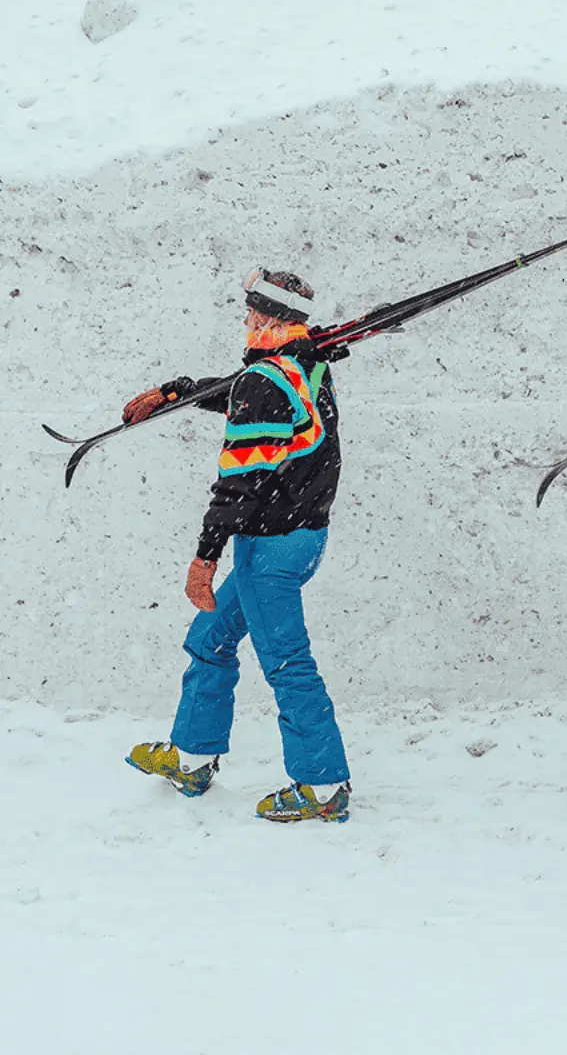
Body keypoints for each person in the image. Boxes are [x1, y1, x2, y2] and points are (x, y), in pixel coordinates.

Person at [123, 270, 353, 823]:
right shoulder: (305, 364)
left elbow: (236, 486)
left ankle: (323, 786)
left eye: (253, 317)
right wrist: (176, 393)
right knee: (209, 637)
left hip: (269, 550)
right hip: (300, 538)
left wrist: (204, 558)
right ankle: (193, 755)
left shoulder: (267, 381)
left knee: (287, 664)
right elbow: (242, 389)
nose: (247, 324)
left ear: (273, 321)